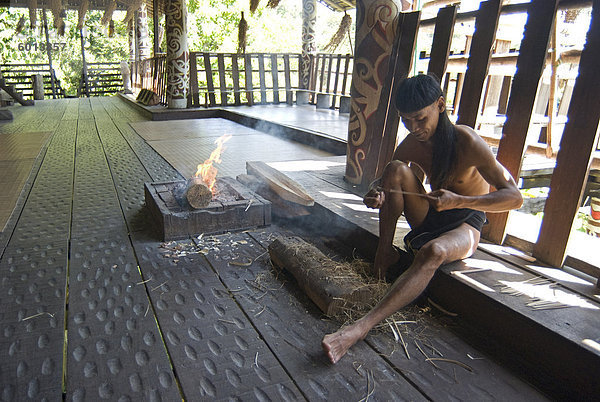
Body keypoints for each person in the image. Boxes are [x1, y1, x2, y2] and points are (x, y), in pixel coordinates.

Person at [322, 74, 523, 364]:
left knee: (434, 251)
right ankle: (384, 253)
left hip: (465, 224)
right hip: (432, 215)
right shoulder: (413, 143)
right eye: (406, 121)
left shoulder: (467, 141)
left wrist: (460, 201)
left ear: (440, 105)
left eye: (420, 119)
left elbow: (514, 197)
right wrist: (376, 192)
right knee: (394, 168)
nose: (414, 128)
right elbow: (385, 180)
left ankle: (360, 328)